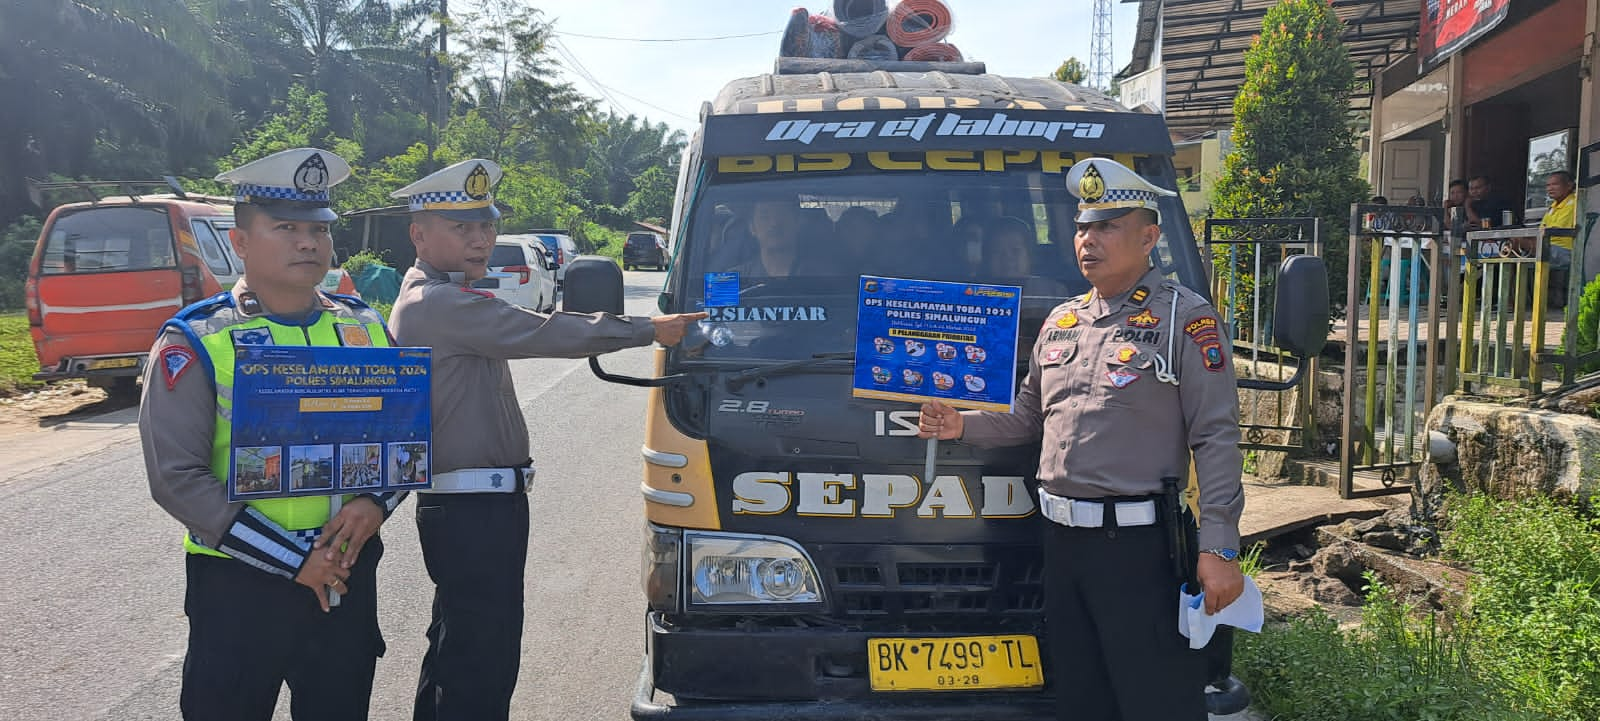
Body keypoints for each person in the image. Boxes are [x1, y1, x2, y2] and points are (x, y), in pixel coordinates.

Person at [917, 158, 1245, 721]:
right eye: (1081, 227)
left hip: (1140, 552)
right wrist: (961, 424)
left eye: (1107, 226)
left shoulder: (1185, 321)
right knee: (1080, 699)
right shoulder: (1062, 321)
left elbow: (1215, 437)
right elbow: (1027, 419)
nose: (1088, 239)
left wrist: (1219, 548)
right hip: (1062, 544)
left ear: (1149, 237)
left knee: (1155, 700)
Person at [386, 159, 706, 721]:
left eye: (485, 225)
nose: (482, 238)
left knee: (457, 646)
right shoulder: (436, 303)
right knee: (481, 657)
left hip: (475, 505)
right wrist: (646, 330)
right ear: (418, 234)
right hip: (471, 508)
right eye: (462, 227)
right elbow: (542, 331)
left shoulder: (445, 295)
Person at [139, 148, 404, 720]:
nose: (308, 243)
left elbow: (405, 441)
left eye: (318, 229)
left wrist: (375, 501)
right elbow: (176, 479)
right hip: (239, 582)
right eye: (285, 227)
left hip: (346, 573)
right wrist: (292, 560)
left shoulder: (364, 327)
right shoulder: (196, 340)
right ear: (240, 243)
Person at [1540, 170, 1578, 308]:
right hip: (1549, 247)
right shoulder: (1553, 207)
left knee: (1516, 245)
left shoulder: (1574, 203)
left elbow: (1555, 230)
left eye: (1554, 184)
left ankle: (1510, 302)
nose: (1549, 188)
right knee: (1513, 246)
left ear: (1569, 186)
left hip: (1566, 250)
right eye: (1547, 185)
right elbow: (1542, 228)